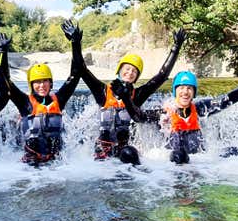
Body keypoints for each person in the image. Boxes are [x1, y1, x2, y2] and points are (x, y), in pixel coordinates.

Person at [72, 28, 187, 165]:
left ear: (136, 77)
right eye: (127, 69)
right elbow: (82, 70)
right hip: (103, 150)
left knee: (129, 153)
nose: (130, 73)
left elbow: (162, 75)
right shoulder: (102, 91)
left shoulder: (137, 95)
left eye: (134, 71)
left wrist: (176, 47)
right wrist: (75, 43)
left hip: (124, 151)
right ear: (119, 71)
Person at [131, 60, 238, 164]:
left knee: (235, 151)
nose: (185, 92)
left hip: (201, 161)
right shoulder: (163, 113)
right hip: (174, 165)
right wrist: (126, 99)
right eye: (181, 88)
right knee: (179, 155)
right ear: (175, 91)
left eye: (189, 88)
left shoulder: (200, 108)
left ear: (193, 93)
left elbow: (228, 99)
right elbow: (138, 117)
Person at [0, 19, 83, 165]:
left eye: (45, 81)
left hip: (57, 164)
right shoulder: (24, 103)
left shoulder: (59, 100)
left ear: (51, 83)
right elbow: (5, 82)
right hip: (31, 167)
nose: (41, 85)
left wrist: (75, 42)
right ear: (31, 84)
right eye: (37, 82)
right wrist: (2, 52)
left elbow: (76, 74)